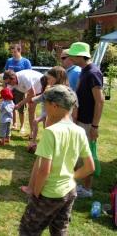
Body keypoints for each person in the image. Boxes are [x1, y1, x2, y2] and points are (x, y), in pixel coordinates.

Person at [19, 85, 95, 236]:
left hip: (48, 194)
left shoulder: (51, 133)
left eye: (45, 104)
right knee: (60, 230)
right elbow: (89, 167)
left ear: (54, 106)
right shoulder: (79, 131)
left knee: (28, 230)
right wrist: (70, 178)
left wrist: (35, 193)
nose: (44, 107)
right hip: (69, 191)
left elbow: (44, 170)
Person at [68, 42, 104, 199]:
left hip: (88, 122)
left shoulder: (93, 73)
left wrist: (94, 126)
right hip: (81, 119)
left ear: (79, 56)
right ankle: (77, 183)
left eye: (72, 55)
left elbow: (100, 101)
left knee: (86, 155)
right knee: (78, 153)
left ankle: (87, 189)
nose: (70, 58)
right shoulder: (84, 70)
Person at [2, 69, 43, 151]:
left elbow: (32, 94)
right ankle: (32, 133)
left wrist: (19, 104)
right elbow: (5, 94)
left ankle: (33, 135)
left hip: (42, 88)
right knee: (30, 110)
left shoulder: (25, 78)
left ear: (13, 78)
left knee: (32, 110)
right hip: (32, 91)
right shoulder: (11, 82)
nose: (8, 85)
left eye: (9, 83)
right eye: (6, 83)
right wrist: (1, 104)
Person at [4, 44, 32, 134]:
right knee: (11, 105)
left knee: (20, 107)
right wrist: (5, 86)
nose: (13, 54)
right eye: (12, 52)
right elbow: (5, 73)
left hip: (21, 87)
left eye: (15, 52)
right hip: (10, 87)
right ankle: (14, 123)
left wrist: (28, 90)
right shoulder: (9, 61)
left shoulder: (26, 62)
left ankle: (22, 125)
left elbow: (29, 75)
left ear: (20, 51)